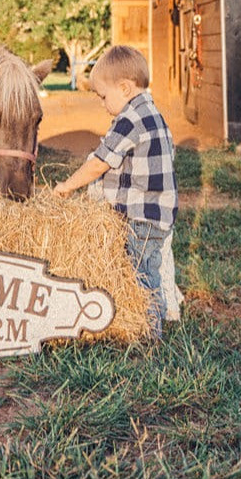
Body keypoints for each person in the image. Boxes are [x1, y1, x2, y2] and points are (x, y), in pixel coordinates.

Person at [53, 45, 177, 336]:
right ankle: (154, 319)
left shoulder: (129, 120)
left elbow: (99, 163)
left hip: (140, 218)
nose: (101, 103)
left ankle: (150, 332)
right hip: (156, 216)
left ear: (124, 88)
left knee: (139, 275)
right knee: (148, 271)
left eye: (103, 96)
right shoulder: (153, 114)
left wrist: (67, 186)